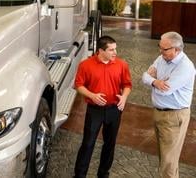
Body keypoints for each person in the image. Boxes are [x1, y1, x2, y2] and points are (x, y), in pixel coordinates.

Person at [73, 35, 132, 178]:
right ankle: (79, 175)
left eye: (115, 49)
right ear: (100, 51)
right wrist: (92, 95)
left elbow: (127, 85)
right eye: (111, 50)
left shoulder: (121, 64)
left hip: (114, 109)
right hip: (95, 111)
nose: (115, 53)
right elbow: (78, 85)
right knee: (88, 143)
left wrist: (124, 97)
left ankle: (103, 173)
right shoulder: (86, 65)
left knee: (110, 143)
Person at [142, 31, 195, 178]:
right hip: (159, 113)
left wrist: (153, 80)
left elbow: (165, 91)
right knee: (165, 158)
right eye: (160, 47)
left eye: (164, 49)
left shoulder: (185, 67)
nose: (160, 51)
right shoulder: (162, 58)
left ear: (177, 50)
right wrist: (155, 81)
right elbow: (144, 76)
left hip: (174, 116)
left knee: (168, 163)